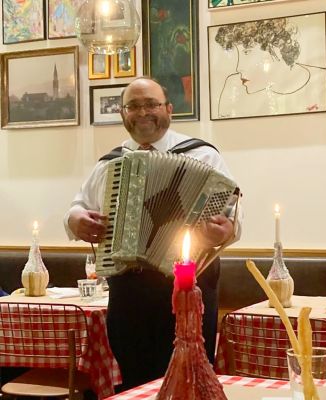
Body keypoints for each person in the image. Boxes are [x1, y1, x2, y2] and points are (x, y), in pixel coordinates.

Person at [64, 77, 242, 391]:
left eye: (151, 104)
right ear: (123, 114)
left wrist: (226, 231)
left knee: (192, 379)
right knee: (134, 380)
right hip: (128, 290)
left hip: (190, 291)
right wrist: (76, 219)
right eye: (133, 106)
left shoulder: (203, 156)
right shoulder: (109, 164)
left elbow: (232, 220)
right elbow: (78, 205)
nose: (143, 112)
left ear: (169, 110)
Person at [211, 16, 326, 119]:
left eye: (246, 53)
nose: (238, 68)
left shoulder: (320, 80)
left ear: (273, 50)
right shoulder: (233, 85)